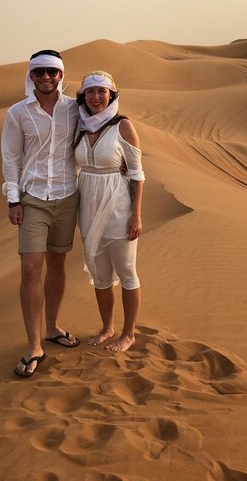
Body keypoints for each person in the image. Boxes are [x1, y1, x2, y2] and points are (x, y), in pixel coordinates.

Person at [1, 49, 80, 378]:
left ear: (61, 74)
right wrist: (12, 199)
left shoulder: (75, 109)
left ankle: (52, 328)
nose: (46, 78)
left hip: (67, 196)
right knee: (31, 268)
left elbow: (102, 129)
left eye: (52, 72)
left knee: (58, 264)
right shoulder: (17, 113)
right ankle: (34, 345)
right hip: (32, 198)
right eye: (39, 72)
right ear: (30, 76)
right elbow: (10, 157)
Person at [74, 71, 144, 352]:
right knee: (99, 273)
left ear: (112, 95)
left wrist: (136, 215)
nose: (96, 97)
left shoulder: (123, 125)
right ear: (84, 96)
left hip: (118, 205)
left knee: (127, 271)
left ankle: (129, 334)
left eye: (102, 91)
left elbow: (137, 173)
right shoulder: (79, 125)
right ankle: (107, 328)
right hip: (87, 206)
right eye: (90, 92)